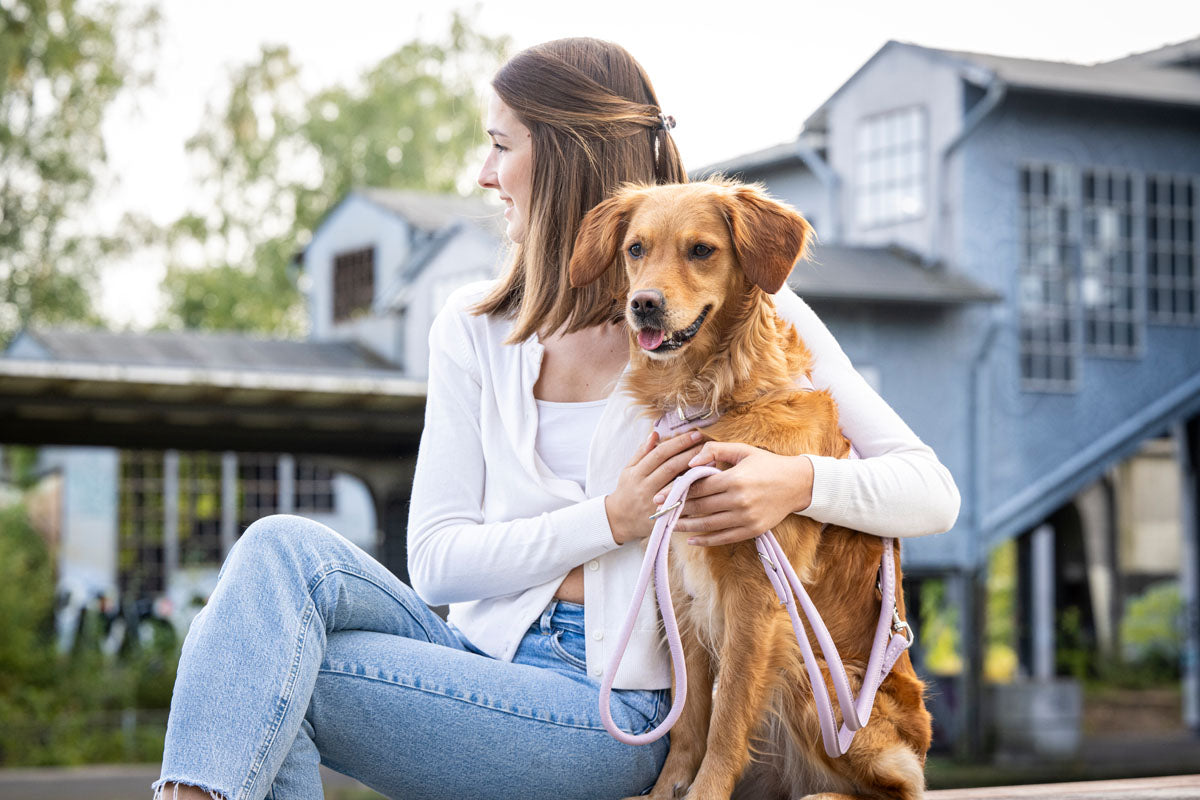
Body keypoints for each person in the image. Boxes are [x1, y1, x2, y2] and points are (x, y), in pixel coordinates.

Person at [153, 38, 959, 800]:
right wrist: (610, 518)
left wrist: (796, 481)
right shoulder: (470, 330)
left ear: (568, 155)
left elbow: (930, 492)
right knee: (274, 553)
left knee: (248, 667)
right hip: (477, 660)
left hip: (613, 704)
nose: (482, 173)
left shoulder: (740, 312)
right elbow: (435, 562)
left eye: (501, 145)